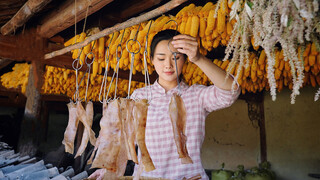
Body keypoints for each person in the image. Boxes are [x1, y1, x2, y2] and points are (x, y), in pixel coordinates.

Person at [89, 29, 240, 180]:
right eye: (161, 59)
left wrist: (199, 58)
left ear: (185, 60)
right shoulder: (139, 96)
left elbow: (231, 92)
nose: (168, 65)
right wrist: (107, 169)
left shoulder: (197, 95)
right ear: (152, 60)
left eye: (176, 58)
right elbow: (123, 138)